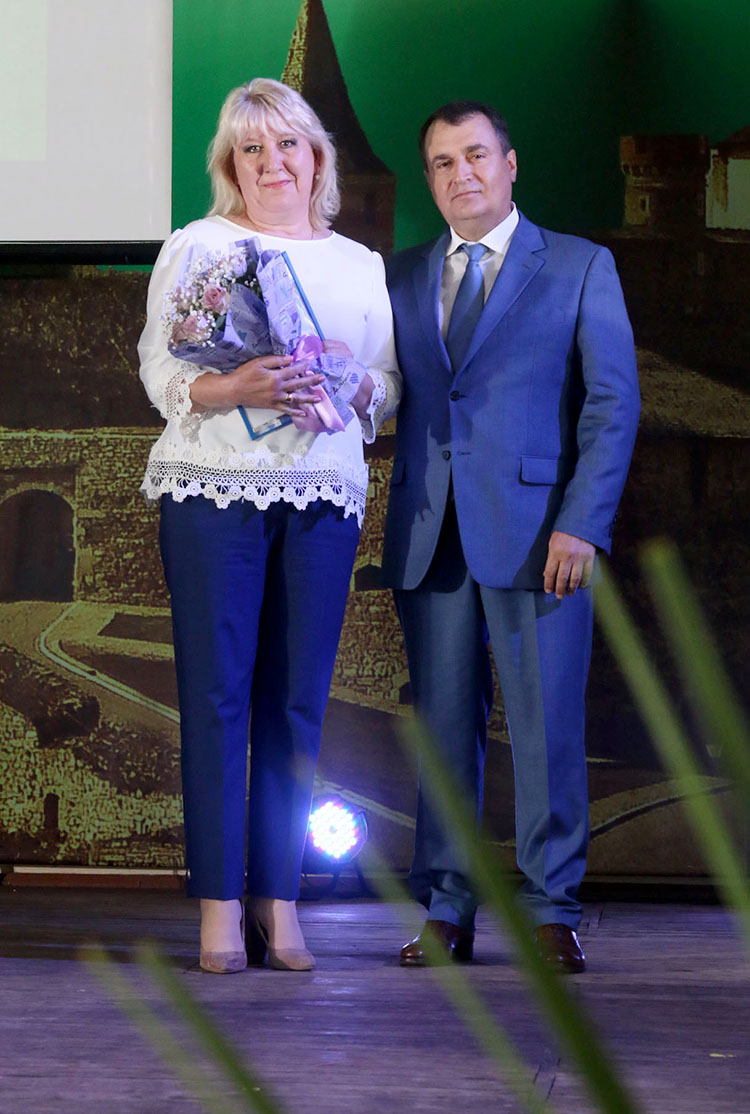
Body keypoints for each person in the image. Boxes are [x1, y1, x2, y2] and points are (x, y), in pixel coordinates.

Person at [138, 78, 401, 973]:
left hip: (323, 495)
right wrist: (233, 387)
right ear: (231, 164)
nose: (271, 162)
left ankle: (277, 901)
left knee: (295, 703)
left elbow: (387, 387)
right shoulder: (198, 245)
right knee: (217, 698)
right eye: (251, 148)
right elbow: (160, 370)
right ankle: (219, 906)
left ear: (317, 159)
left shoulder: (360, 264)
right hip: (213, 487)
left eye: (288, 144)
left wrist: (350, 379)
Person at [382, 101, 639, 971]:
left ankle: (552, 910)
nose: (462, 173)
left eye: (476, 155)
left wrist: (583, 524)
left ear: (510, 163)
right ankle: (448, 909)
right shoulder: (401, 276)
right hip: (430, 534)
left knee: (546, 727)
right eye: (443, 162)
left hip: (542, 538)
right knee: (444, 732)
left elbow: (613, 404)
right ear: (429, 180)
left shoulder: (578, 265)